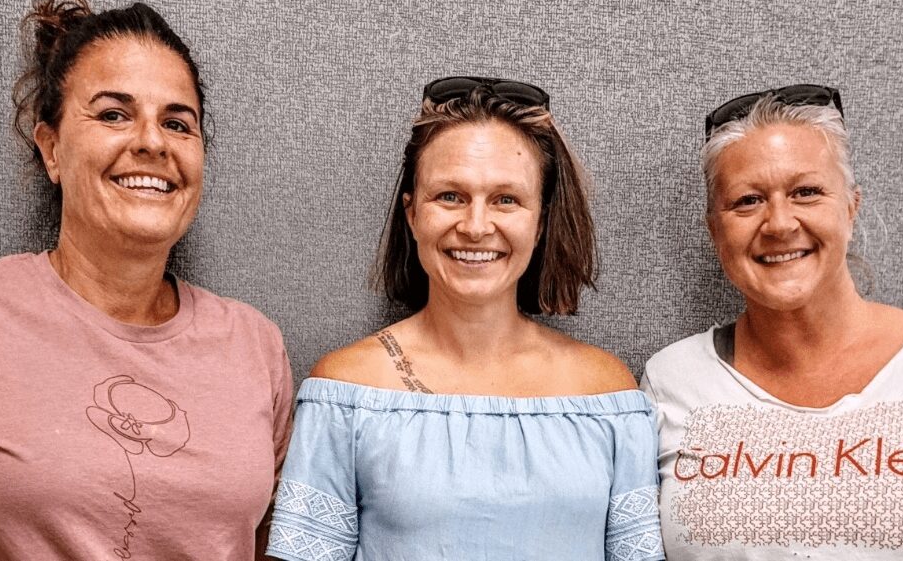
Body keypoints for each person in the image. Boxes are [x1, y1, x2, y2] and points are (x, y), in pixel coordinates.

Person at [0, 0, 293, 559]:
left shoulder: (254, 347)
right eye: (113, 114)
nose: (151, 142)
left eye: (178, 123)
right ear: (51, 148)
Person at [640, 84, 903, 559]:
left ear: (852, 208)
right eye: (747, 200)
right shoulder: (671, 380)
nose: (779, 223)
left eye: (806, 192)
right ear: (715, 230)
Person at [266, 77, 663, 561]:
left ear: (540, 221)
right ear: (411, 215)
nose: (476, 226)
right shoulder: (345, 389)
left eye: (506, 199)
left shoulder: (608, 394)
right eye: (450, 196)